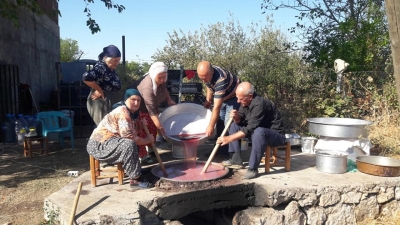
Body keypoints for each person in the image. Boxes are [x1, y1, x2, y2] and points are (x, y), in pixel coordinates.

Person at [86, 89, 154, 188]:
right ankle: (135, 180)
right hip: (98, 145)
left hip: (111, 141)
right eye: (133, 99)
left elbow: (134, 133)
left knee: (131, 143)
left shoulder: (132, 113)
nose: (136, 103)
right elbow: (129, 137)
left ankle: (136, 170)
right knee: (128, 144)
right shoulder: (123, 111)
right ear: (126, 100)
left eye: (138, 100)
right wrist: (148, 140)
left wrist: (140, 125)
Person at [216, 82, 286, 179]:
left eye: (240, 99)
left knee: (259, 132)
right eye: (237, 98)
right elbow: (240, 120)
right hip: (258, 132)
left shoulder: (259, 104)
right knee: (234, 126)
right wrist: (236, 117)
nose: (238, 101)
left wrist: (229, 138)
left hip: (275, 136)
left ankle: (253, 168)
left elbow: (250, 128)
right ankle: (235, 159)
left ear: (250, 96)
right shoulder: (245, 102)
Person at [129, 62, 176, 163]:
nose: (163, 79)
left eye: (164, 76)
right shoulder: (147, 87)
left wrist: (169, 100)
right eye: (160, 77)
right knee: (141, 131)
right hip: (140, 109)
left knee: (152, 129)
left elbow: (164, 90)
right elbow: (151, 111)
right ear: (154, 75)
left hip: (152, 108)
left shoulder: (162, 80)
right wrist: (160, 127)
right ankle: (142, 156)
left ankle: (151, 150)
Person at [196, 61, 241, 156]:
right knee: (220, 123)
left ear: (211, 72)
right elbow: (208, 84)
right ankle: (219, 151)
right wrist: (208, 99)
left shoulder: (221, 79)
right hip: (223, 96)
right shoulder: (207, 74)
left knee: (229, 125)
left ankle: (234, 156)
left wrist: (211, 126)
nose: (203, 80)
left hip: (234, 97)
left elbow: (216, 107)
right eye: (201, 78)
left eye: (205, 77)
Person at [83, 45, 122, 125]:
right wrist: (99, 90)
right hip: (103, 100)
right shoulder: (101, 67)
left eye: (118, 61)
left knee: (111, 126)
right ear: (105, 57)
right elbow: (86, 77)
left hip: (110, 99)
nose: (116, 63)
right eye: (114, 60)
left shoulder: (109, 67)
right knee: (104, 127)